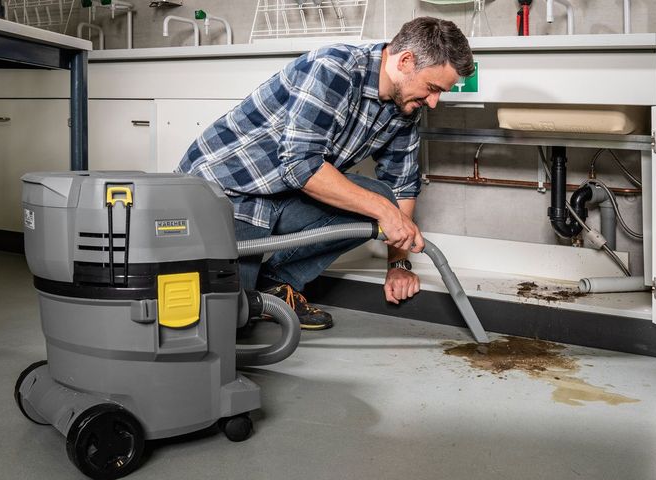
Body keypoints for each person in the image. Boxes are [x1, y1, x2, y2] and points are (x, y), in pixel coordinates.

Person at [178, 17, 475, 330]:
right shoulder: (335, 68)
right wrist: (384, 212)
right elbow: (301, 167)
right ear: (406, 61)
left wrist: (398, 263)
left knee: (382, 198)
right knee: (228, 321)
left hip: (283, 193)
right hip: (228, 193)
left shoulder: (405, 106)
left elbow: (400, 185)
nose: (434, 101)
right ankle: (249, 300)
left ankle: (276, 286)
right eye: (432, 88)